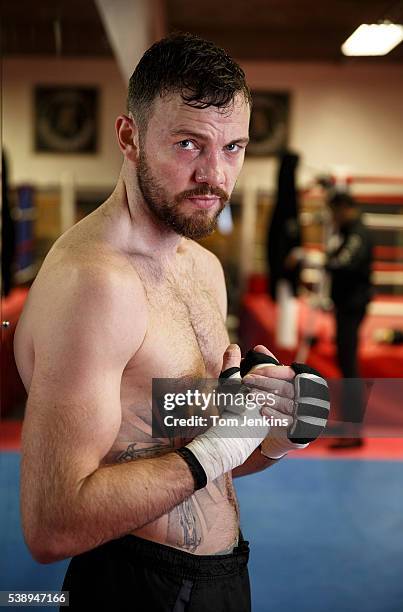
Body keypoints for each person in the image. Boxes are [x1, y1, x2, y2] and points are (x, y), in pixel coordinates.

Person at [15, 33, 326, 611]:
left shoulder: (202, 266)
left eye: (233, 146)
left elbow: (191, 450)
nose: (216, 174)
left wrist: (279, 430)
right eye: (189, 144)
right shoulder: (95, 285)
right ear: (128, 137)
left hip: (224, 574)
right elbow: (52, 526)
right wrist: (216, 450)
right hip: (131, 587)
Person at [325, 192, 373, 449]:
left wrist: (325, 262)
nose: (333, 218)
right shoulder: (351, 232)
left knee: (349, 366)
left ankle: (354, 430)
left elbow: (343, 262)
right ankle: (350, 424)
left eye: (334, 212)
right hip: (347, 306)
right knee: (346, 364)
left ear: (344, 209)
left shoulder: (357, 233)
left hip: (352, 307)